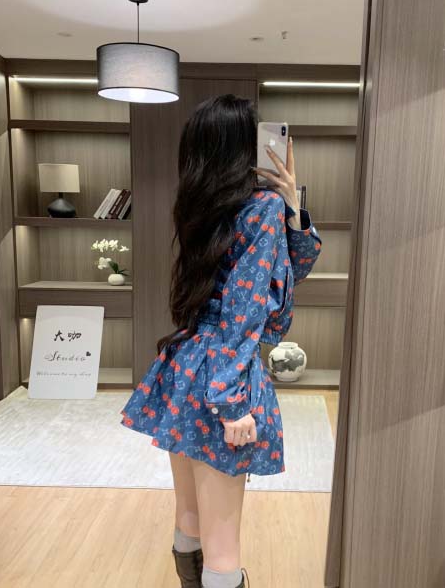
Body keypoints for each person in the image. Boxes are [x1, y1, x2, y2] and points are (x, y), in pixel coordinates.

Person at [120, 94, 322, 588]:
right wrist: (232, 402)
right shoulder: (261, 207)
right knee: (223, 543)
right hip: (223, 371)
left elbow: (277, 276)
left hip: (186, 363)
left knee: (190, 517)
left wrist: (294, 209)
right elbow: (246, 308)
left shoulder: (200, 202)